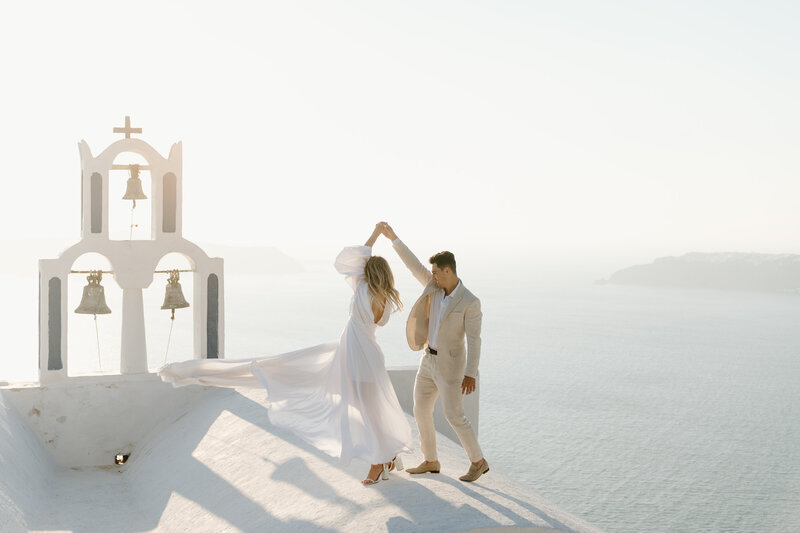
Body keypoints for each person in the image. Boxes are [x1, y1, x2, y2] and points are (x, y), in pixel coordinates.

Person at [158, 223, 413, 485]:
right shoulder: (388, 300)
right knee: (370, 409)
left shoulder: (362, 289)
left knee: (364, 410)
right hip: (369, 356)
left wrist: (374, 234)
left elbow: (355, 258)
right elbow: (361, 261)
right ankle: (386, 457)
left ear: (370, 272)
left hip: (356, 357)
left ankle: (378, 463)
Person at [380, 222, 489, 482]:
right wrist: (394, 238)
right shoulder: (433, 287)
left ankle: (478, 461)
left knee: (454, 415)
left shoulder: (470, 302)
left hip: (451, 368)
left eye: (437, 273)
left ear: (448, 271)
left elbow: (475, 341)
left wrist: (470, 373)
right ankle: (431, 460)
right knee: (420, 411)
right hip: (427, 360)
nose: (433, 276)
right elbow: (412, 264)